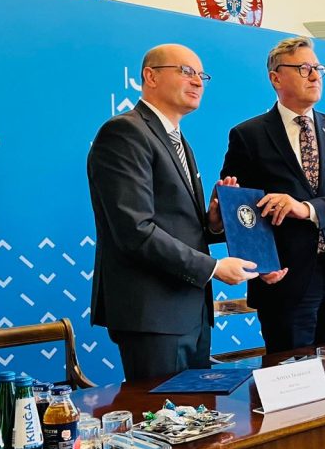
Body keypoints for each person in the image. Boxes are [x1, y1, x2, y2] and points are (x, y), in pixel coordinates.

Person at [88, 44, 261, 381]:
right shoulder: (125, 133)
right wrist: (212, 267)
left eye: (202, 75)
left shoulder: (176, 138)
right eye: (185, 71)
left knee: (197, 423)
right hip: (153, 313)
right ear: (150, 76)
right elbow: (135, 230)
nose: (197, 81)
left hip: (188, 309)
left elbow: (174, 221)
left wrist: (211, 223)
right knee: (163, 425)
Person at [221, 36, 325, 353]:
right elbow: (239, 210)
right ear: (276, 77)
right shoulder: (248, 135)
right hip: (283, 280)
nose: (315, 75)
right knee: (293, 388)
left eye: (318, 68)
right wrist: (258, 265)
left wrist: (306, 208)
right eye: (304, 68)